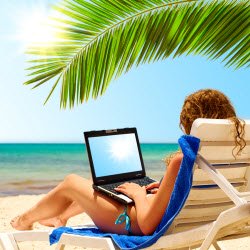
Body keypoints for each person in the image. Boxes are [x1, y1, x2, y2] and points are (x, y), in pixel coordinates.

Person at [11, 89, 246, 236]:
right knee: (106, 186)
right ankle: (60, 217)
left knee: (73, 182)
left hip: (131, 223)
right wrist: (162, 188)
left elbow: (146, 225)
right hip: (198, 221)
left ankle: (23, 221)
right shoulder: (230, 158)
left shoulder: (181, 160)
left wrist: (139, 195)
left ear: (188, 122)